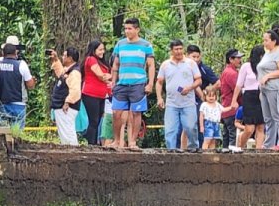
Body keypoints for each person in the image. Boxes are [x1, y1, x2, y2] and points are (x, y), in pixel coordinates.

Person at [109, 18, 155, 149]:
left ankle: (133, 142)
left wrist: (150, 83)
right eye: (125, 29)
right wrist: (113, 82)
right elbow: (115, 64)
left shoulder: (146, 45)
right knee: (116, 113)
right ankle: (117, 141)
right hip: (122, 84)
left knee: (136, 113)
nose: (127, 31)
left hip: (138, 84)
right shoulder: (120, 44)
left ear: (137, 29)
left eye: (130, 29)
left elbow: (151, 65)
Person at [156, 40, 202, 151]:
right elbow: (159, 82)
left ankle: (193, 148)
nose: (179, 51)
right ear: (171, 50)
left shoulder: (190, 63)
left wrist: (190, 87)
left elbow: (198, 80)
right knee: (170, 129)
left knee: (191, 127)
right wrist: (159, 97)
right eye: (176, 49)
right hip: (172, 103)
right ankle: (171, 150)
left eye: (180, 48)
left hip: (188, 102)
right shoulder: (165, 65)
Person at [258, 29, 279, 149]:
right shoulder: (268, 53)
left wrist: (268, 76)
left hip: (275, 88)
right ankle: (269, 143)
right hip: (265, 89)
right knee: (268, 117)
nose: (264, 42)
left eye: (266, 40)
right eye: (264, 40)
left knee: (278, 114)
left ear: (274, 41)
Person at [230, 46, 266, 150]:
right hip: (249, 97)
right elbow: (239, 84)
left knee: (260, 126)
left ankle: (259, 151)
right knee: (249, 128)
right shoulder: (246, 66)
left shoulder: (264, 67)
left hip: (261, 95)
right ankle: (241, 146)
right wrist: (234, 100)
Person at [81, 39, 113, 145]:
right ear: (93, 50)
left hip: (101, 95)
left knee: (98, 120)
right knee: (93, 121)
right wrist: (112, 76)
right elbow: (100, 76)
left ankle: (94, 142)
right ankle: (91, 144)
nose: (102, 52)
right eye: (100, 50)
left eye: (103, 49)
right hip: (91, 94)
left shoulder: (102, 62)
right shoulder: (90, 59)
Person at [49, 47, 83, 145]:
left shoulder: (75, 72)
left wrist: (67, 102)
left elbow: (75, 90)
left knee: (67, 131)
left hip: (66, 107)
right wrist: (56, 59)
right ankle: (69, 149)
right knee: (64, 131)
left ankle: (72, 151)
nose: (62, 57)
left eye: (64, 56)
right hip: (61, 105)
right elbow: (61, 73)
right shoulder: (68, 70)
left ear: (70, 58)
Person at [219, 49, 243, 149]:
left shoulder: (227, 71)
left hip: (226, 108)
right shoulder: (231, 73)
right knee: (232, 135)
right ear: (231, 59)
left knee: (227, 135)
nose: (240, 60)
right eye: (237, 58)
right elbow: (238, 89)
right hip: (231, 109)